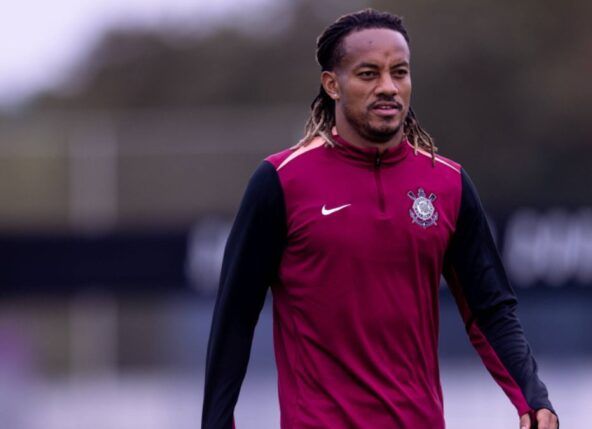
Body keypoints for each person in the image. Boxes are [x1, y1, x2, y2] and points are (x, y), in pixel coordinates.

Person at [202, 8, 558, 429]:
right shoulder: (280, 181)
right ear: (332, 84)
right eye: (368, 74)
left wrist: (532, 398)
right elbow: (235, 316)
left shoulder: (448, 184)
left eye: (399, 73)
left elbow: (490, 310)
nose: (388, 87)